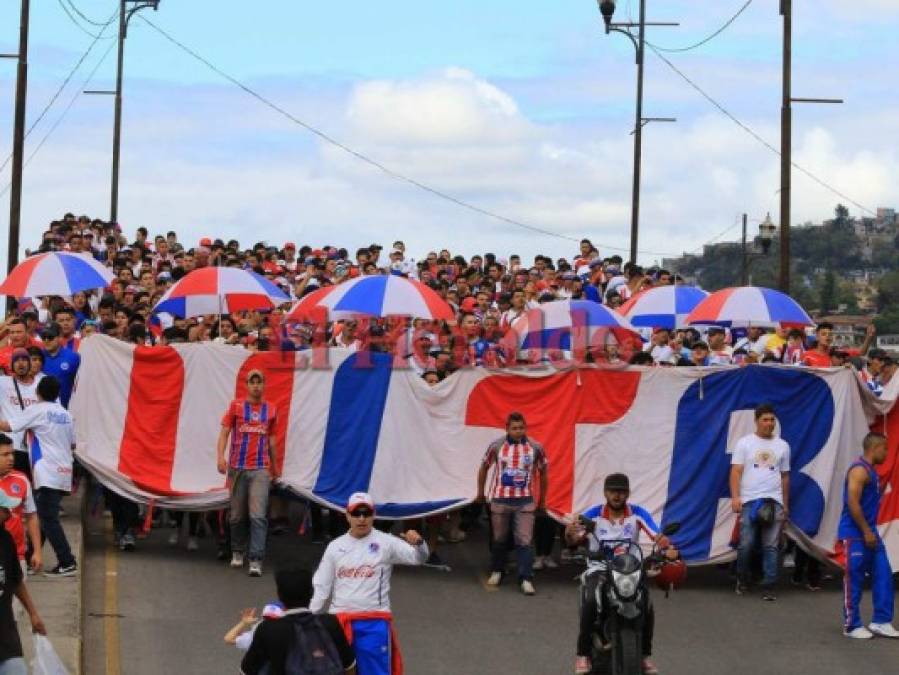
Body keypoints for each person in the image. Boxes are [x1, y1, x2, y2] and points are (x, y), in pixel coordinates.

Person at [564, 473, 675, 675]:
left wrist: (669, 549)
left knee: (646, 604)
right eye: (613, 491)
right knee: (590, 601)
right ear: (605, 493)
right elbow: (574, 538)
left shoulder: (638, 513)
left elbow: (657, 535)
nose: (617, 495)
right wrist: (570, 534)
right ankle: (582, 654)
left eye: (621, 491)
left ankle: (644, 656)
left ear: (628, 493)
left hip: (630, 568)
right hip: (599, 567)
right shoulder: (593, 514)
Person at [310, 492, 427, 675]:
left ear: (374, 515)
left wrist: (419, 544)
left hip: (374, 622)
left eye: (367, 513)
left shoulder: (386, 542)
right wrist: (306, 618)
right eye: (356, 513)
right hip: (339, 623)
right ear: (347, 515)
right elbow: (321, 586)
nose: (362, 518)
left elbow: (418, 558)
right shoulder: (334, 547)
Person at [0, 376, 76, 577]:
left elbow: (9, 426)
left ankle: (67, 561)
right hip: (65, 471)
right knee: (45, 515)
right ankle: (32, 555)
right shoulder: (66, 414)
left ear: (37, 393)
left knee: (47, 518)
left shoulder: (38, 410)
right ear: (57, 394)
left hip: (46, 471)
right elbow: (73, 443)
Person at [476, 411, 548, 595]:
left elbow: (544, 473)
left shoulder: (536, 447)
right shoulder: (497, 446)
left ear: (526, 428)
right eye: (514, 428)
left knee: (524, 540)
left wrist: (542, 500)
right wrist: (480, 493)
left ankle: (525, 578)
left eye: (521, 428)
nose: (518, 431)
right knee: (499, 539)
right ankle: (497, 570)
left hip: (525, 501)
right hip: (500, 499)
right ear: (507, 428)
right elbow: (484, 467)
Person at [216, 369, 278, 577]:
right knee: (236, 516)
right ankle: (237, 551)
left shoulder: (271, 409)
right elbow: (224, 432)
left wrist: (275, 468)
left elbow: (271, 440)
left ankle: (256, 559)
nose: (256, 386)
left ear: (264, 385)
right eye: (252, 382)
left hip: (260, 469)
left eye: (259, 382)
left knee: (258, 516)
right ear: (246, 385)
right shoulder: (236, 406)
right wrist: (220, 457)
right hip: (237, 468)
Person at [838, 432, 898, 639]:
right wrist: (865, 531)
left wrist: (869, 531)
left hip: (869, 532)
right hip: (855, 533)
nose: (887, 453)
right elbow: (852, 503)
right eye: (885, 449)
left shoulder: (871, 471)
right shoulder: (859, 471)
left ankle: (881, 621)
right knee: (853, 579)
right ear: (875, 448)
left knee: (883, 574)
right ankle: (851, 625)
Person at [241, 568, 355, 674]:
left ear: (280, 595)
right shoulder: (331, 623)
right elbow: (349, 666)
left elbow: (246, 670)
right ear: (312, 593)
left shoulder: (268, 629)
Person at [729, 403, 790, 601]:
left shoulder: (783, 445)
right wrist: (736, 497)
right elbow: (736, 472)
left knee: (771, 546)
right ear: (756, 421)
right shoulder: (744, 443)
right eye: (765, 419)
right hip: (750, 501)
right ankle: (742, 579)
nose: (769, 423)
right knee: (746, 544)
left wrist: (785, 504)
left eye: (772, 419)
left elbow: (785, 477)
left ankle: (769, 585)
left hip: (774, 501)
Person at [0, 491, 46, 674]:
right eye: (4, 509)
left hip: (5, 635)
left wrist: (33, 614)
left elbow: (15, 580)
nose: (10, 514)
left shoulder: (5, 540)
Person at [0, 438, 41, 574]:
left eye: (12, 454)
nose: (11, 458)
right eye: (5, 455)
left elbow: (31, 515)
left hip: (17, 556)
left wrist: (37, 551)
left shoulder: (22, 479)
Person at [0, 349, 42, 478]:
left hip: (36, 448)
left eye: (24, 359)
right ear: (11, 364)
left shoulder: (42, 383)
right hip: (11, 447)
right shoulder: (2, 382)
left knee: (31, 490)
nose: (20, 363)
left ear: (30, 363)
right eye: (16, 360)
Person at [39, 323, 80, 408]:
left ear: (60, 337)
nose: (46, 340)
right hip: (42, 410)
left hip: (66, 408)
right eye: (44, 337)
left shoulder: (73, 357)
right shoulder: (38, 356)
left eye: (50, 337)